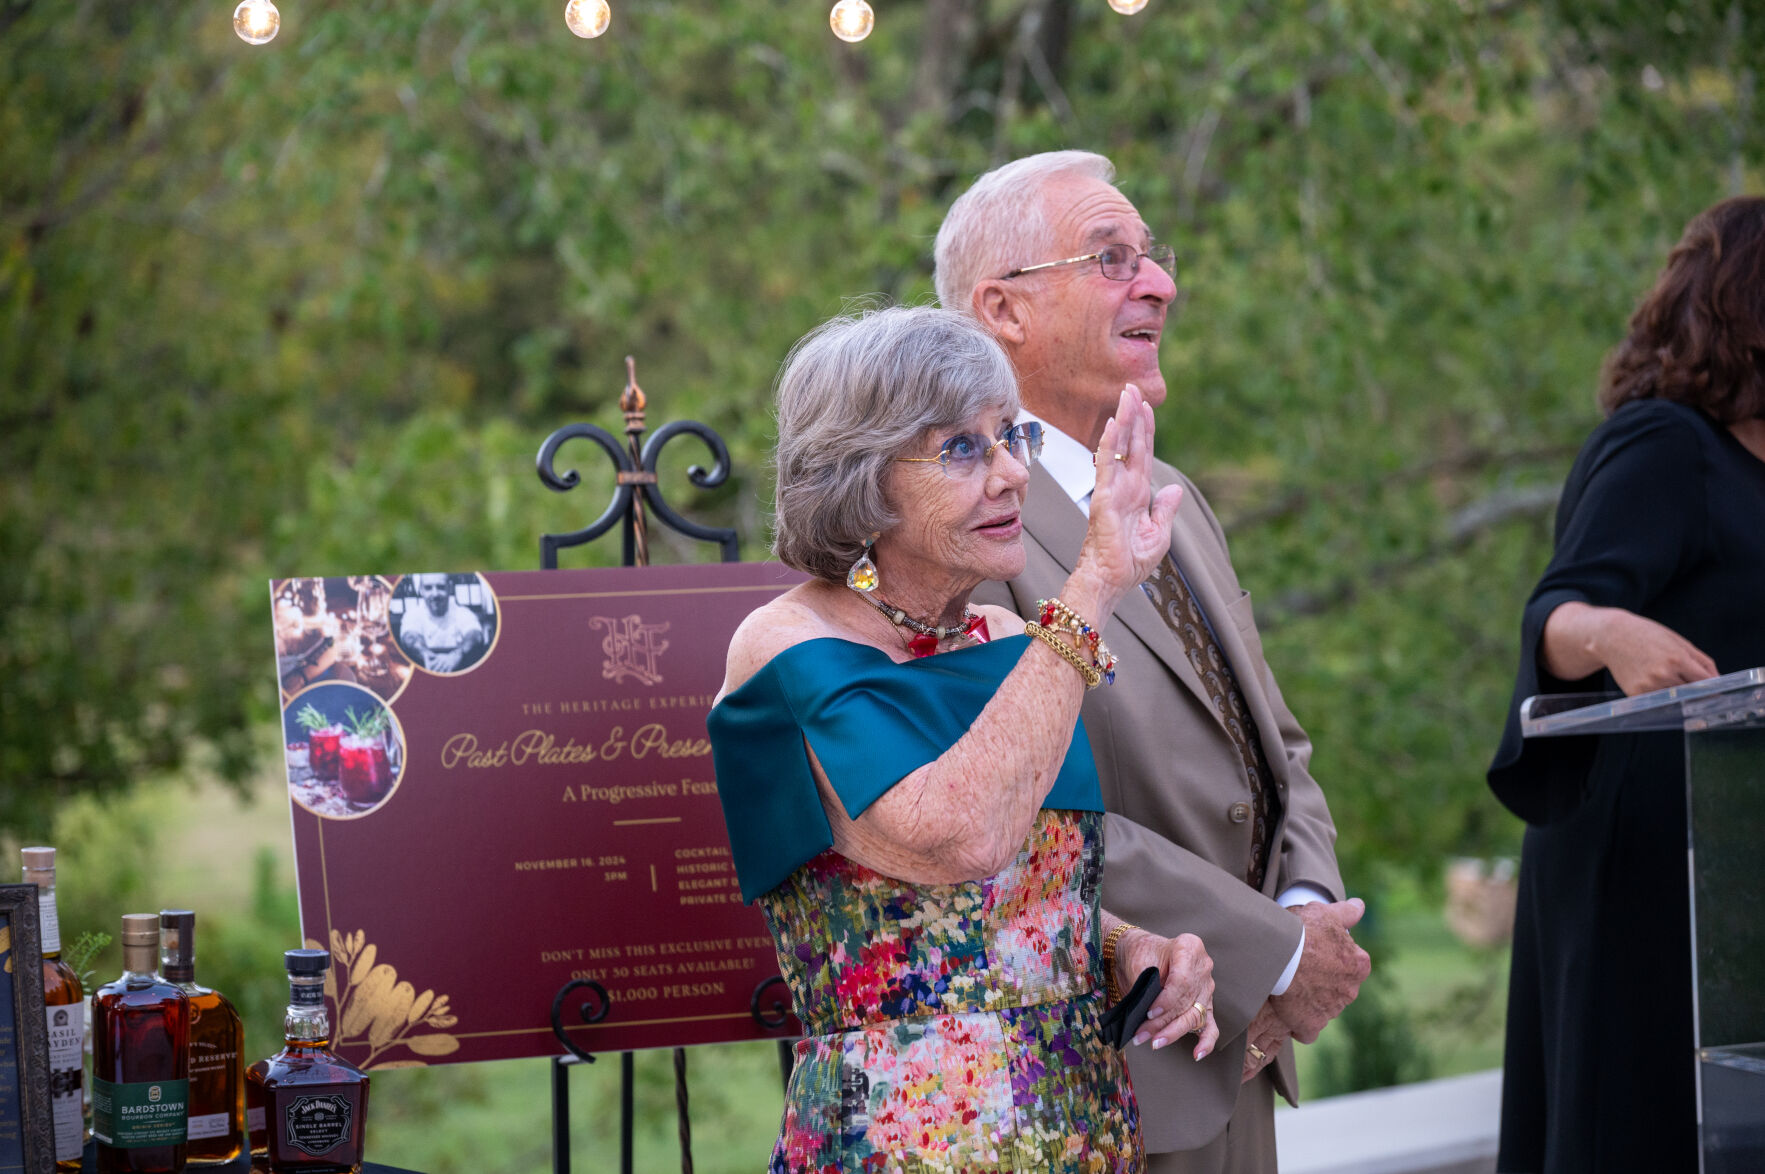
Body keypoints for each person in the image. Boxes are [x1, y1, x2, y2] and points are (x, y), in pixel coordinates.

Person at [709, 305, 1220, 1172]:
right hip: (908, 1141)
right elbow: (960, 839)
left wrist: (1121, 943)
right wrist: (1094, 585)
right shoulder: (788, 646)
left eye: (1009, 434)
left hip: (1082, 1127)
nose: (1013, 472)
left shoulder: (1012, 643)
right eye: (962, 449)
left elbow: (1011, 900)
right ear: (861, 482)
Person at [942, 151, 1369, 1172]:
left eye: (1152, 257)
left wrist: (1306, 908)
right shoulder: (963, 522)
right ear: (1002, 308)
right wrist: (1274, 951)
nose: (1160, 283)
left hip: (1240, 1055)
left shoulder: (1169, 490)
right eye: (1110, 257)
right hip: (1097, 1073)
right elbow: (1022, 817)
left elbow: (1274, 743)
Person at [1487, 196, 1765, 1173]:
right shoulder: (1661, 445)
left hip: (1739, 871)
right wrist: (1613, 634)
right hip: (1653, 874)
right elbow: (1556, 614)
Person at [397, 573, 487, 672]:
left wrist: (458, 654)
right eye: (428, 588)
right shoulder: (412, 615)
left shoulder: (463, 613)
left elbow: (475, 635)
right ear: (421, 591)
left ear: (450, 588)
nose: (435, 594)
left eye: (440, 587)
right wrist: (425, 653)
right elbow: (410, 637)